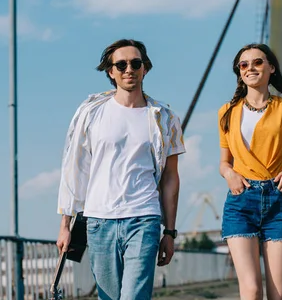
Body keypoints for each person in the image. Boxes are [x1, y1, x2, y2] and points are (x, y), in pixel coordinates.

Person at [56, 39, 185, 300]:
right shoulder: (90, 113)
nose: (129, 69)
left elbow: (171, 178)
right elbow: (74, 169)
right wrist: (65, 224)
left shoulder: (164, 117)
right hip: (99, 220)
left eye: (135, 63)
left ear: (145, 69)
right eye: (121, 64)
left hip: (144, 218)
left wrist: (169, 232)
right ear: (110, 71)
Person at [217, 43, 282, 300]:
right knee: (252, 290)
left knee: (279, 294)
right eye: (244, 65)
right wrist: (229, 174)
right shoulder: (226, 112)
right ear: (239, 72)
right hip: (240, 201)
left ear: (271, 68)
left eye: (257, 62)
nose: (250, 68)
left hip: (278, 199)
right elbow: (224, 162)